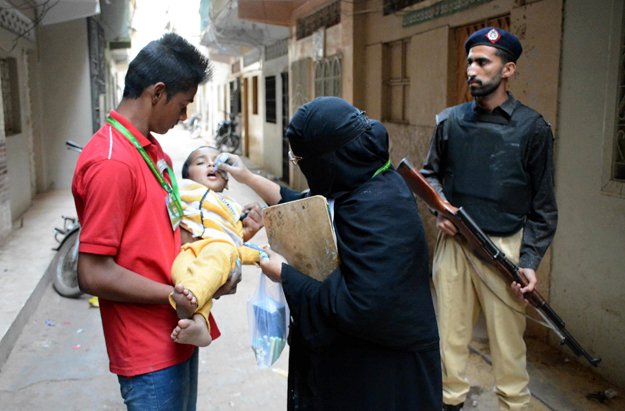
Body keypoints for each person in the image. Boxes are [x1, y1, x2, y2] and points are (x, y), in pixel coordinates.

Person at [72, 33, 261, 410]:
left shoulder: (151, 150)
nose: (184, 116)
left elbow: (167, 232)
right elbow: (92, 273)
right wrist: (174, 295)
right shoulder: (113, 163)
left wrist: (225, 249)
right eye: (182, 104)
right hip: (147, 349)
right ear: (157, 93)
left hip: (178, 331)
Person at [220, 96, 442, 410]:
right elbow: (307, 204)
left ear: (326, 162)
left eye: (302, 162)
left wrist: (286, 274)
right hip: (358, 365)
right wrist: (247, 177)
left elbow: (360, 307)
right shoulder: (360, 184)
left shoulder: (379, 209)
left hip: (386, 375)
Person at [420, 27, 558, 411]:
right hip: (455, 244)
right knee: (450, 338)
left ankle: (514, 404)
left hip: (505, 248)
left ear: (508, 69)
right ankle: (450, 402)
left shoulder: (534, 129)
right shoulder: (449, 122)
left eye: (483, 62)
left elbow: (544, 207)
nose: (472, 70)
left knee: (508, 345)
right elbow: (429, 174)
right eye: (469, 62)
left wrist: (529, 262)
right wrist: (440, 208)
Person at [169, 146, 263, 347]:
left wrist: (257, 252)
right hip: (187, 252)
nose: (211, 164)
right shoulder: (185, 190)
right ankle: (195, 314)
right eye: (200, 162)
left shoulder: (231, 207)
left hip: (213, 252)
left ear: (227, 182)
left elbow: (234, 242)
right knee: (196, 279)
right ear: (187, 176)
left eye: (216, 161)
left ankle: (196, 317)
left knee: (206, 274)